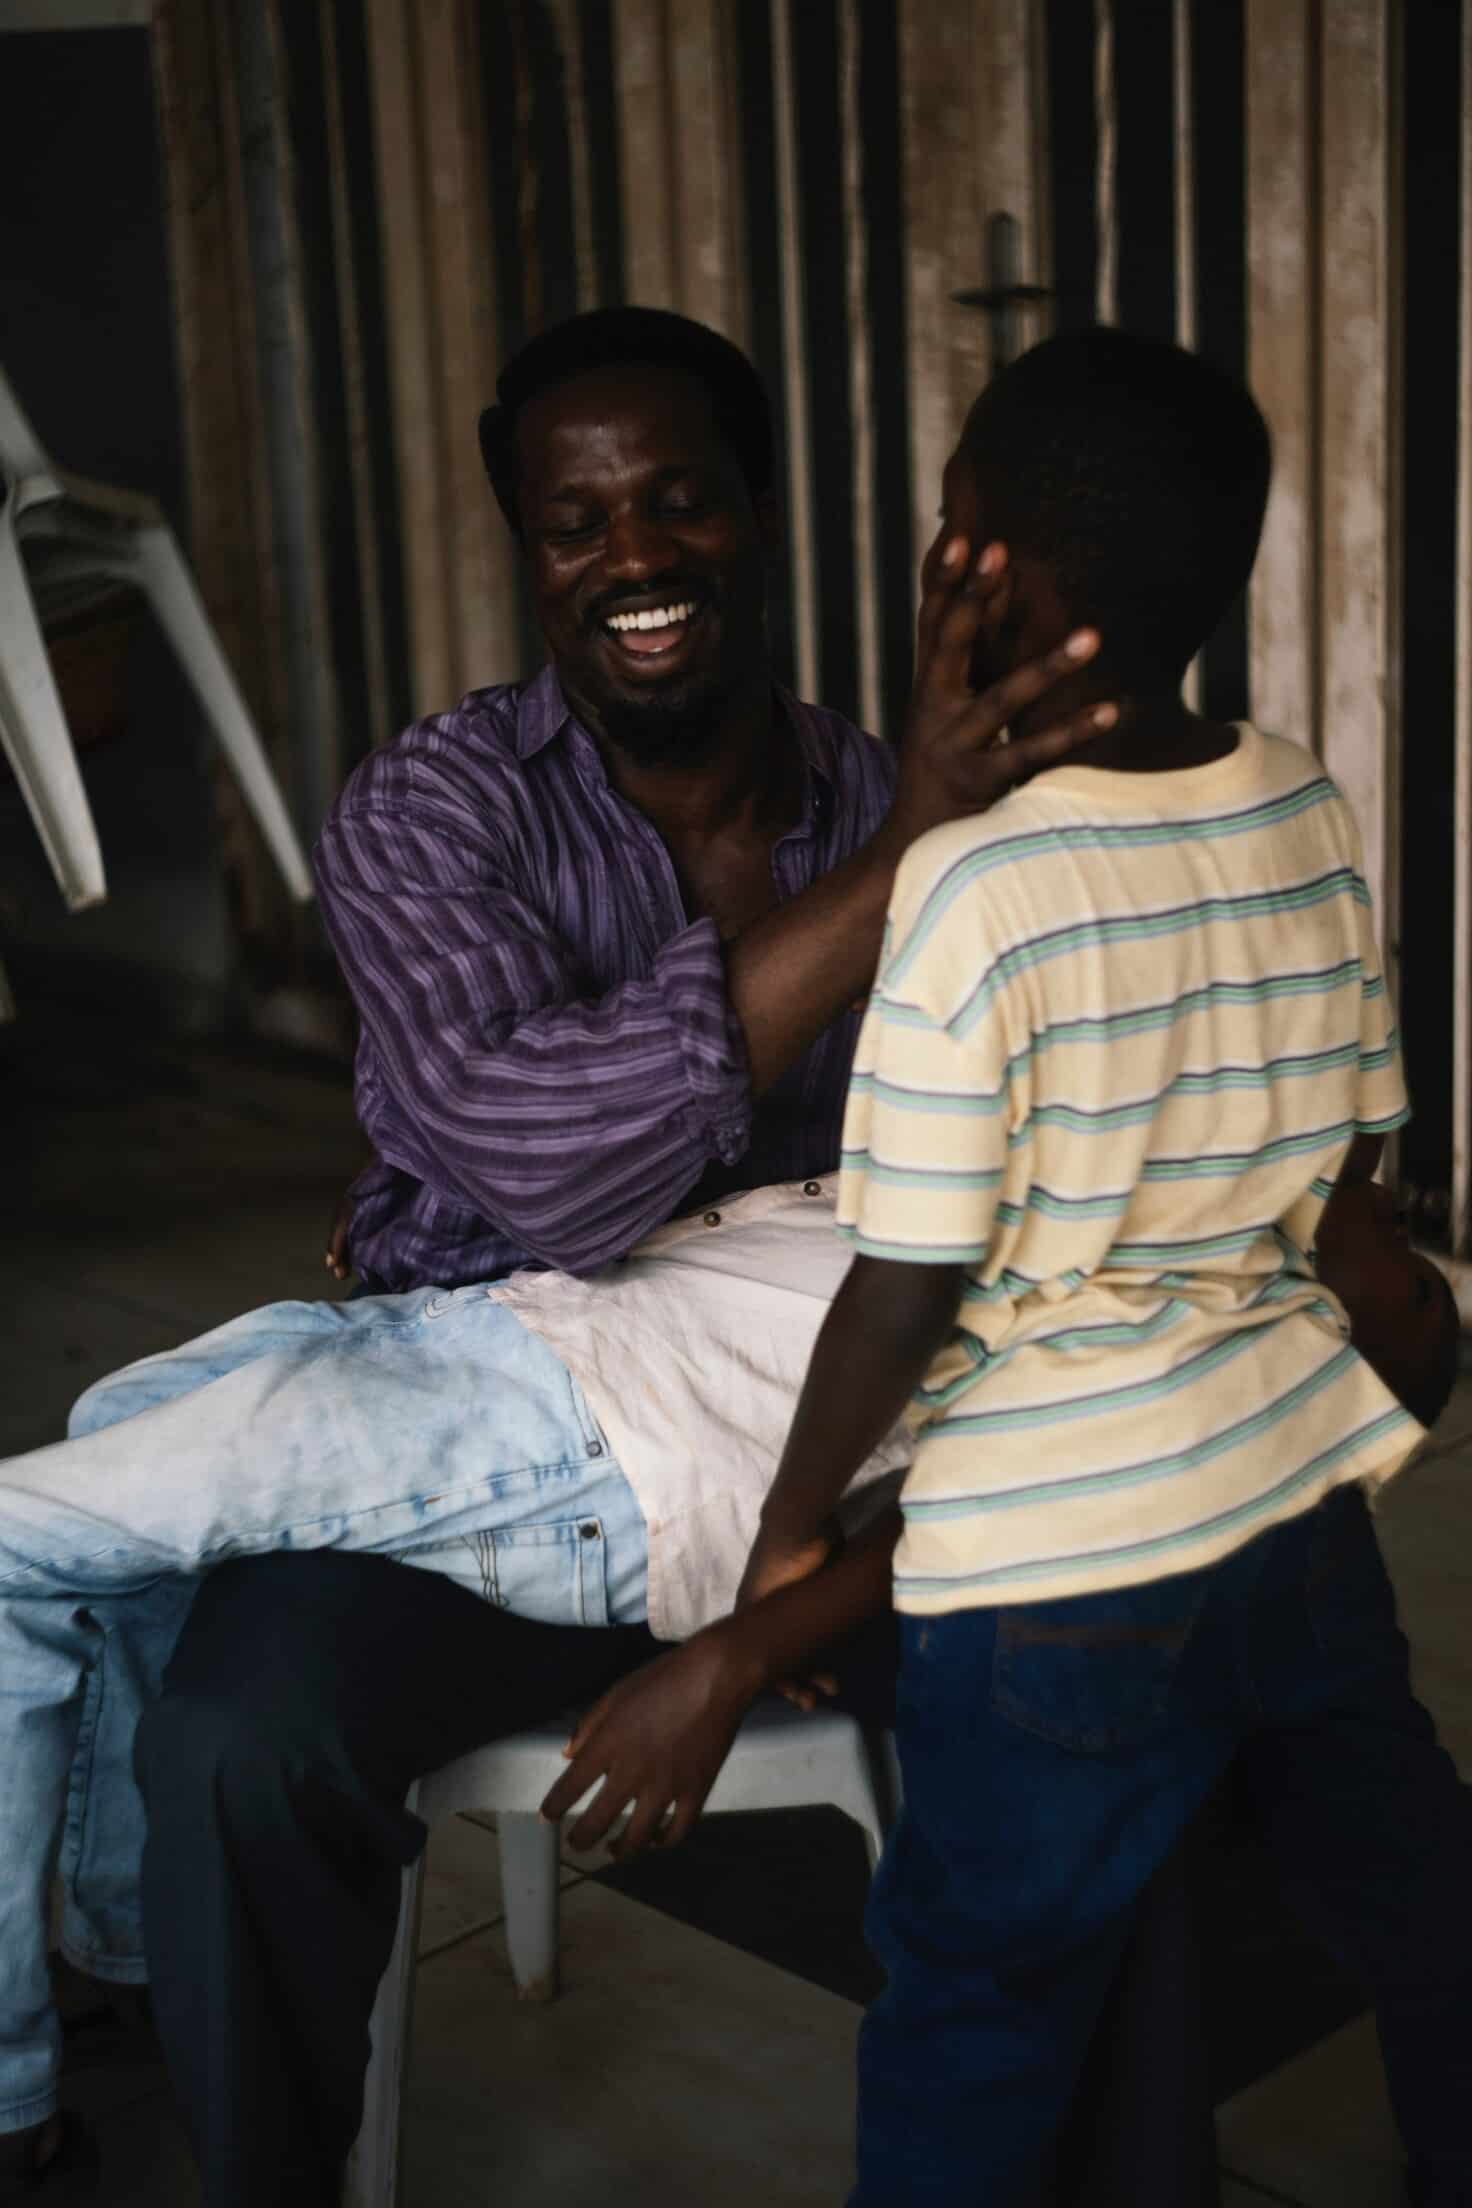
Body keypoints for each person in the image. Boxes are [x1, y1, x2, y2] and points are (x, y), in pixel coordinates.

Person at [0, 308, 1114, 2208]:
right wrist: (912, 856)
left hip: (812, 1457)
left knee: (1106, 1682)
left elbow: (1003, 1204)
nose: (634, 562)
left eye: (678, 504)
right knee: (239, 1743)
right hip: (498, 1415)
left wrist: (784, 1593)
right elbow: (550, 1176)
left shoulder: (889, 792)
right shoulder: (434, 813)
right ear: (531, 551)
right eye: (577, 523)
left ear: (754, 518)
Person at [569, 326, 1472, 2207]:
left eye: (953, 532)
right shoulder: (1303, 801)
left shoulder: (978, 890)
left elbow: (900, 1286)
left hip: (1051, 1587)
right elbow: (1348, 1213)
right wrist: (1405, 1354)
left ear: (983, 570)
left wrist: (785, 1543)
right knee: (1418, 1907)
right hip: (1291, 1513)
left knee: (976, 2009)